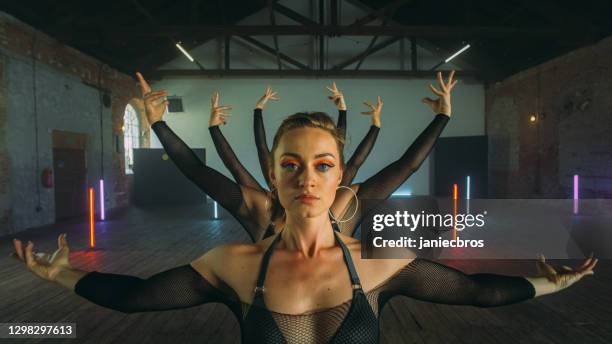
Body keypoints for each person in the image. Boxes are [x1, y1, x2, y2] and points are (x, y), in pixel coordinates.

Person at [12, 71, 598, 344]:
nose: (308, 179)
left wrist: (552, 286)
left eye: (323, 166)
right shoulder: (236, 262)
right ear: (272, 172)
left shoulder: (380, 265)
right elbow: (135, 299)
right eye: (289, 165)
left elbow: (479, 292)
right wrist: (58, 273)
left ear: (342, 176)